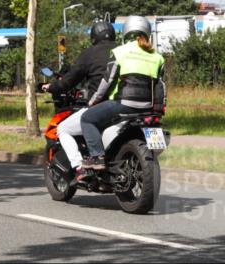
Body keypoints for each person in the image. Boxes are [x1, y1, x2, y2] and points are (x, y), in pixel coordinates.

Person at [79, 16, 165, 171]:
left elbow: (107, 80)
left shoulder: (120, 52)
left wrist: (93, 101)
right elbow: (160, 85)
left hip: (124, 104)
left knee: (87, 119)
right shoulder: (158, 57)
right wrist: (159, 109)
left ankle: (97, 157)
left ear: (125, 32)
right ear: (148, 33)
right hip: (148, 107)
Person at [41, 20, 118, 178]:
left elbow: (70, 80)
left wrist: (52, 87)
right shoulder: (122, 50)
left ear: (93, 37)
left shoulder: (90, 53)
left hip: (100, 105)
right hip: (125, 104)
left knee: (63, 129)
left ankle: (79, 167)